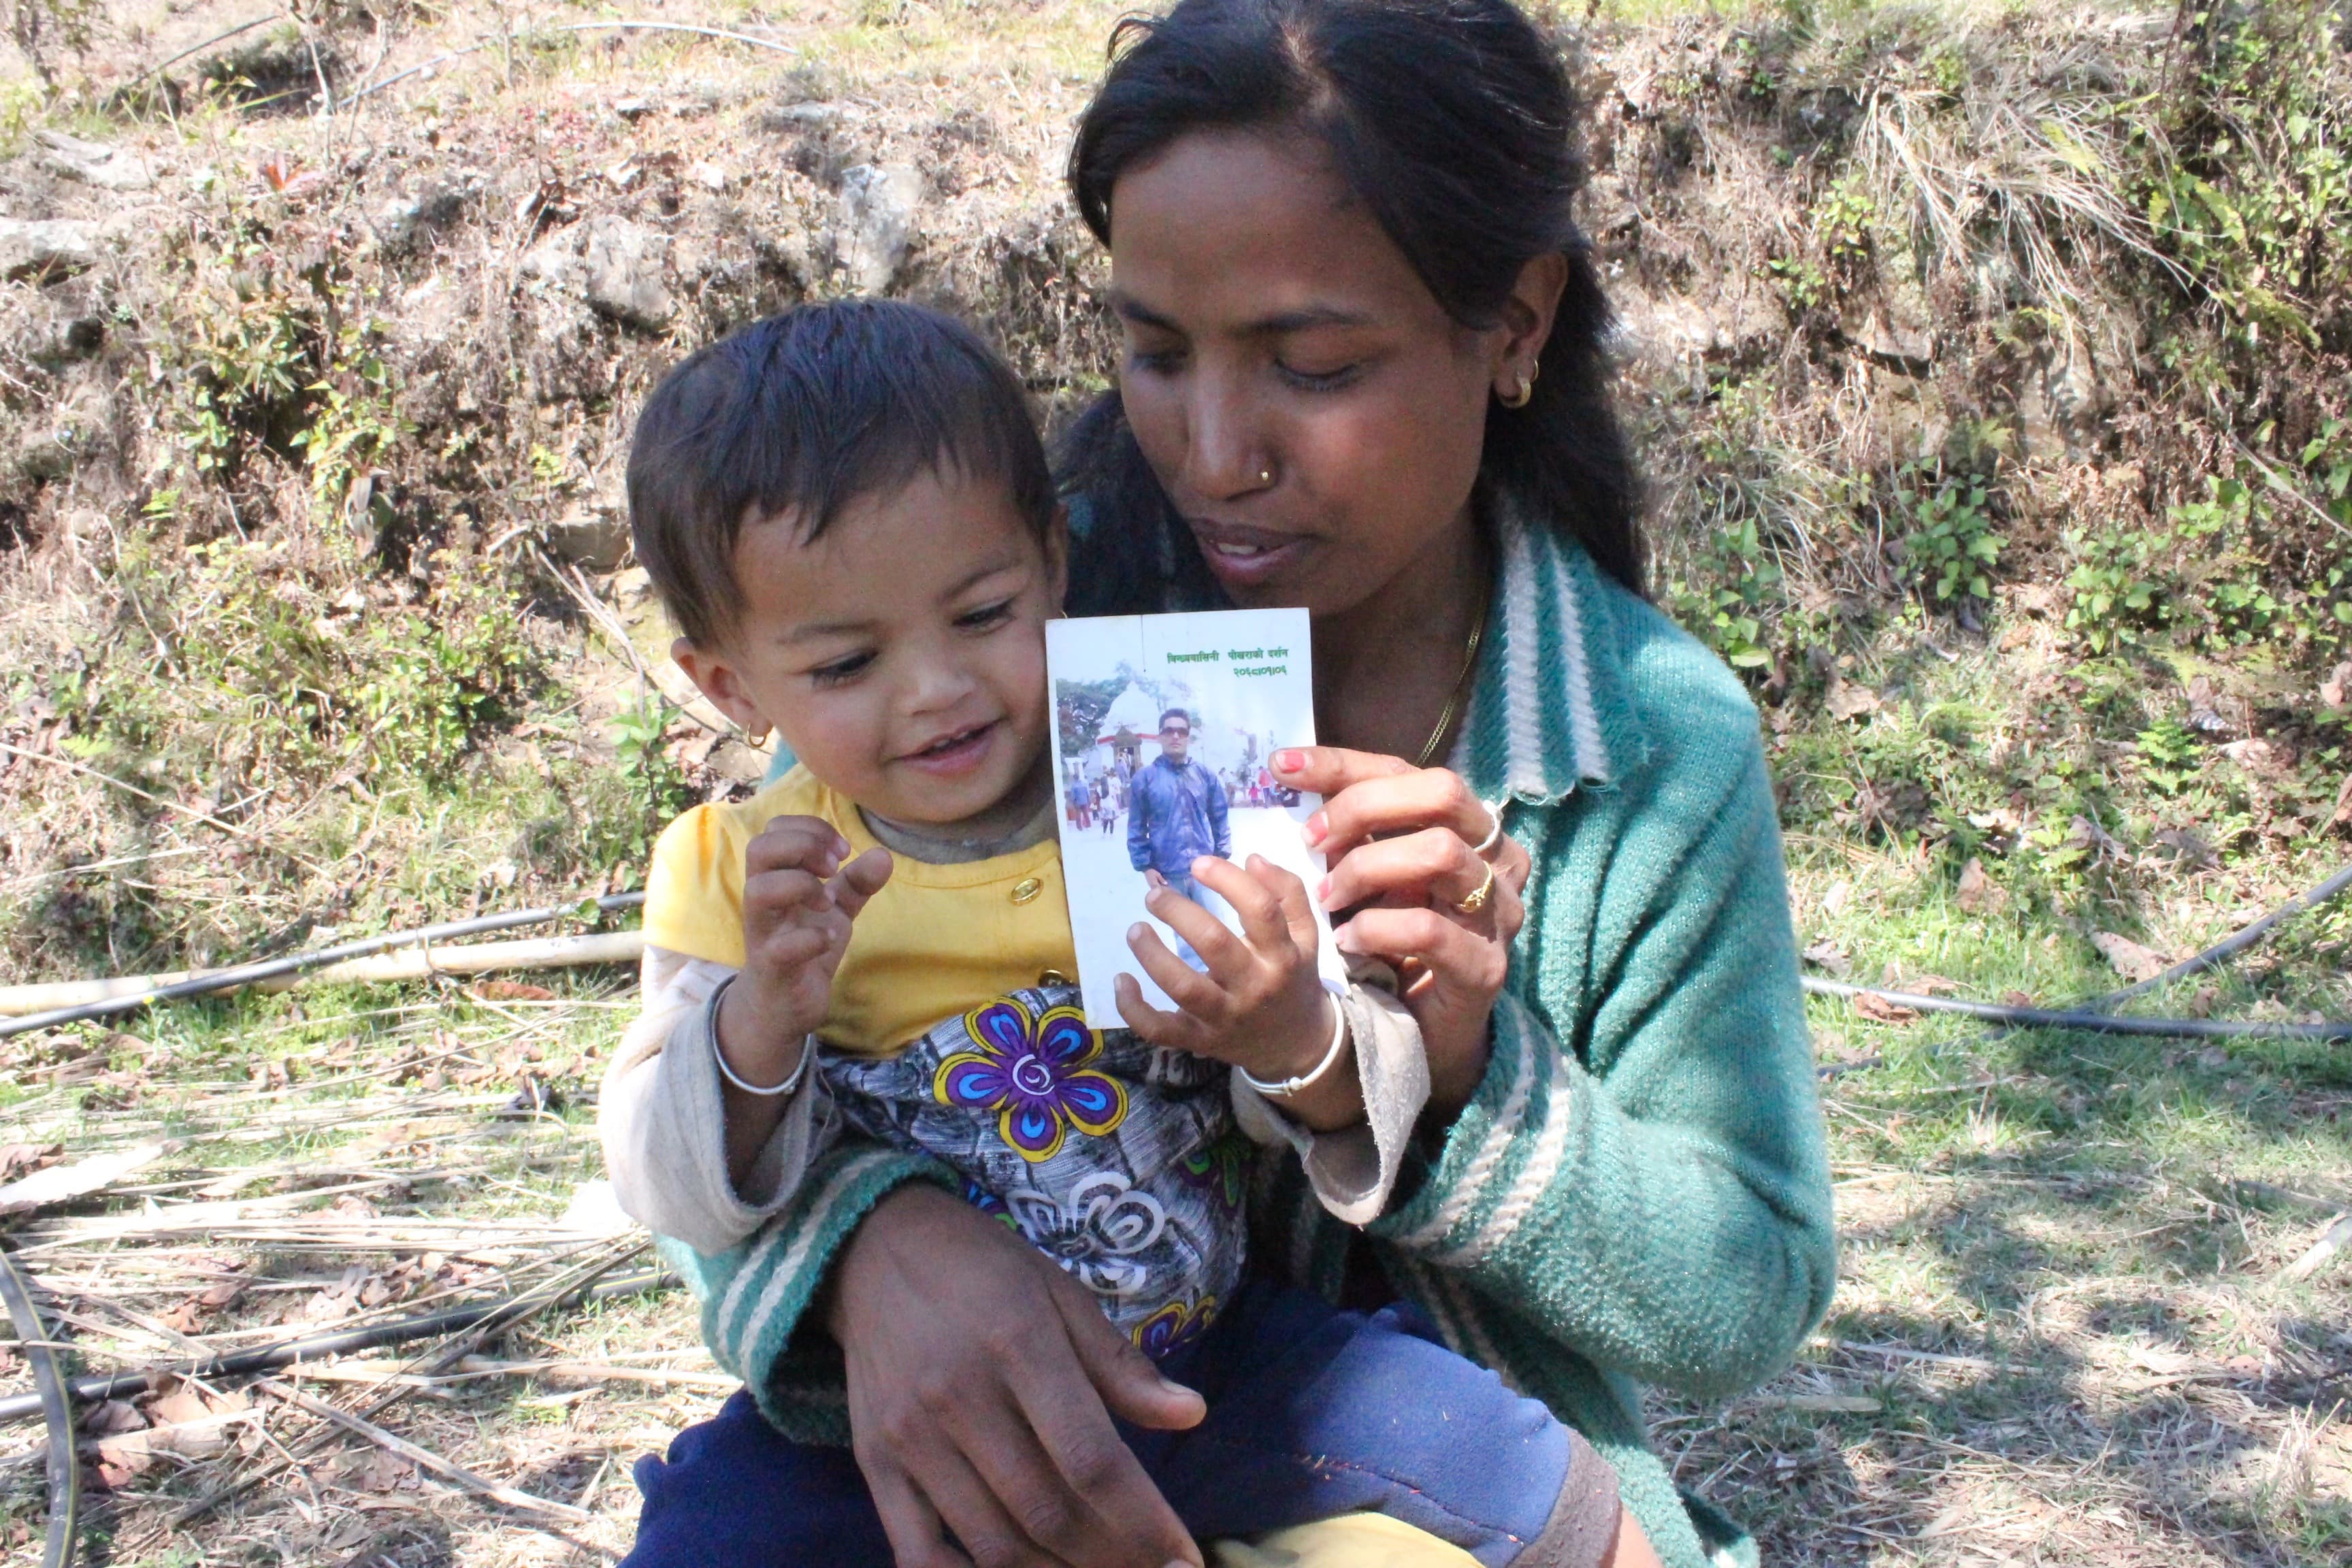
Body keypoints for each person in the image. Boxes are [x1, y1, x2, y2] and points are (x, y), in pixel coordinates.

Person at [610, 3, 1835, 1566]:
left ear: (1515, 322)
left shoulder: (1642, 741)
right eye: (1150, 350)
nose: (1207, 452)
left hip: (1379, 1463)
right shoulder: (984, 610)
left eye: (1308, 364)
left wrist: (1451, 1071)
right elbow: (717, 1081)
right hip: (986, 1476)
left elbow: (1737, 1291)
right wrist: (874, 1249)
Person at [603, 299, 1651, 1568]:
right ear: (727, 683)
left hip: (1222, 1358)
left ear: (1052, 560)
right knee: (709, 1532)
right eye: (845, 663)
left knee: (1534, 1484)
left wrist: (1289, 1026)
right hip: (911, 1411)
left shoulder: (1174, 770)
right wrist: (758, 1017)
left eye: (982, 613)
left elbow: (1345, 1068)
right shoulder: (740, 874)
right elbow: (666, 1182)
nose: (935, 688)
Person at [1126, 708, 1230, 914]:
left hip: (1205, 870)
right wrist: (1146, 867)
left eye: (1181, 732)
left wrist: (1221, 856)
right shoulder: (1145, 779)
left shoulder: (1205, 775)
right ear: (1159, 736)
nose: (1175, 736)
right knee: (1185, 939)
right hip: (1168, 875)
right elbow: (1137, 828)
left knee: (1217, 932)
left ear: (1188, 738)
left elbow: (1220, 817)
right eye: (1169, 731)